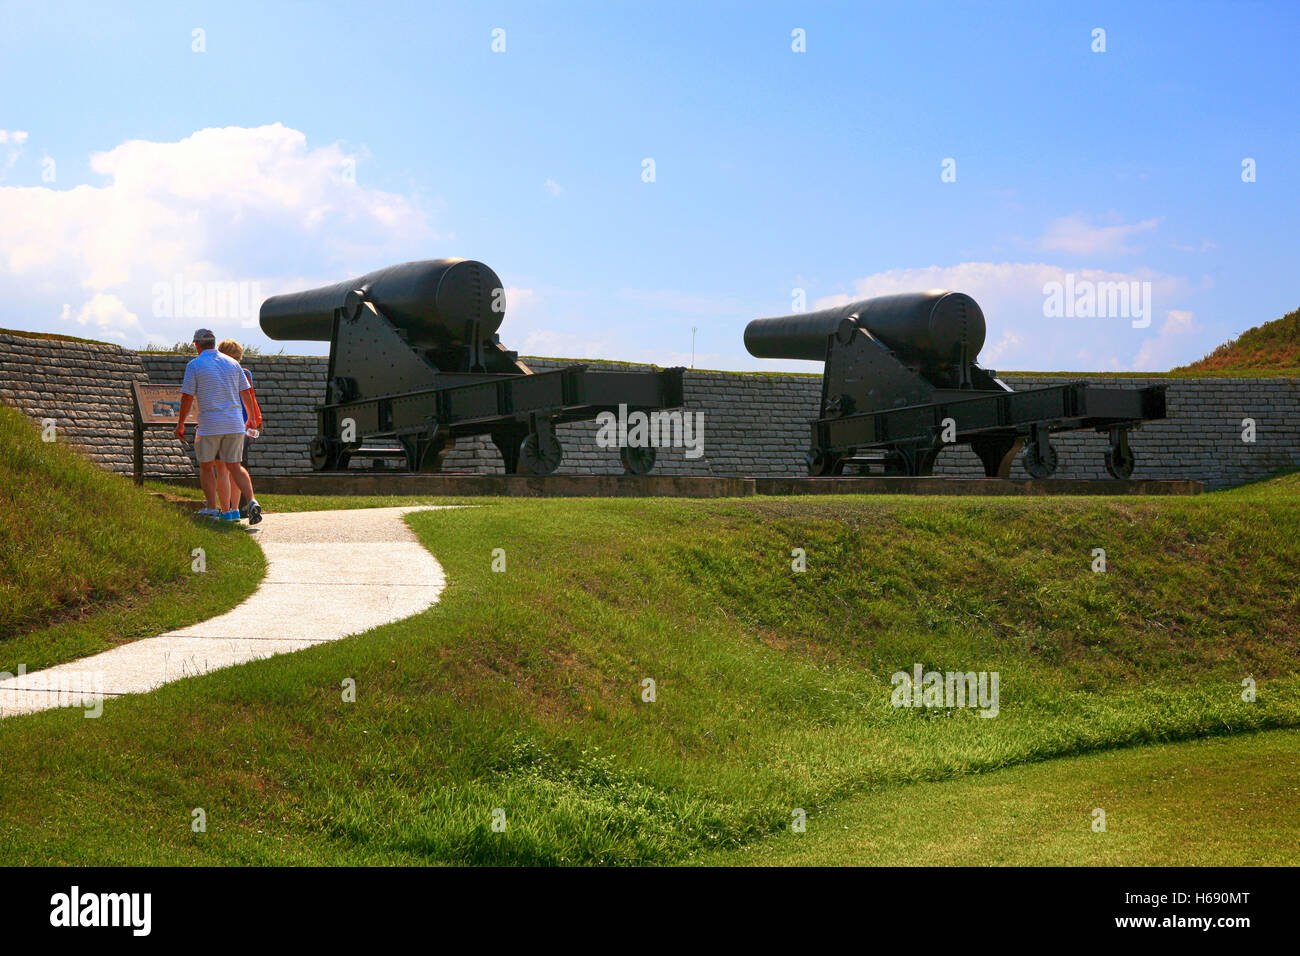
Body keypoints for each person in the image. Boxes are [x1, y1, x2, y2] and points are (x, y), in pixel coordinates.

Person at [175, 328, 263, 524]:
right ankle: (252, 501)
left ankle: (212, 508)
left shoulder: (194, 365)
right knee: (235, 466)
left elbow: (187, 397)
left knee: (207, 467)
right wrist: (250, 418)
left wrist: (181, 423)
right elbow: (247, 393)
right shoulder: (233, 364)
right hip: (234, 424)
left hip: (210, 425)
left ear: (197, 345)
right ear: (214, 343)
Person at [216, 338, 263, 518]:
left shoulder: (218, 374)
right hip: (244, 426)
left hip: (223, 425)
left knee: (222, 470)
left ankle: (226, 511)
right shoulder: (245, 373)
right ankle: (236, 509)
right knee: (237, 467)